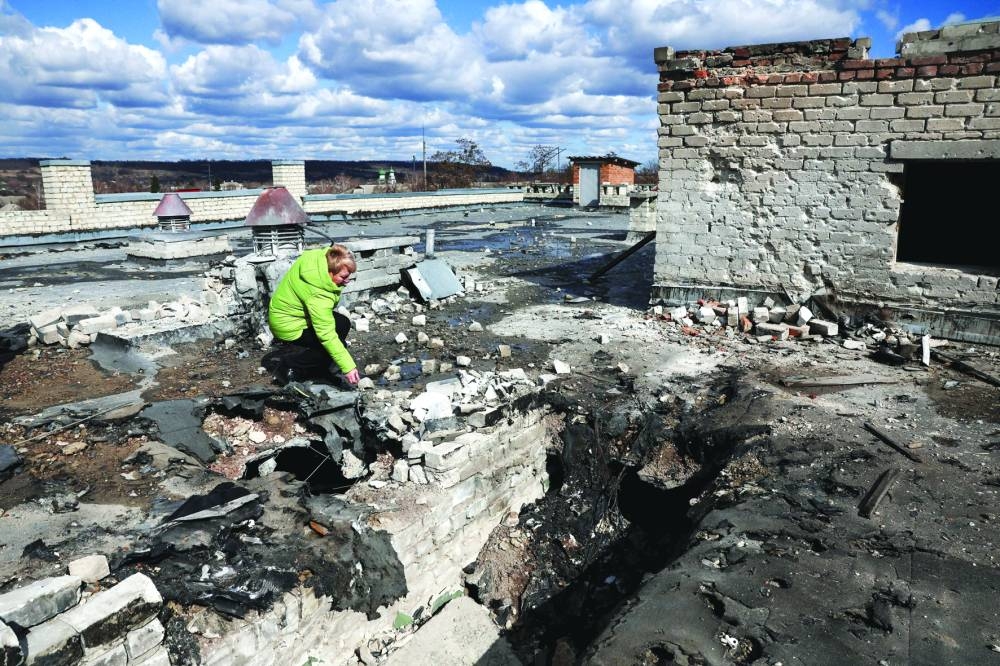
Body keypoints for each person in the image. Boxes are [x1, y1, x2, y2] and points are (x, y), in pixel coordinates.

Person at [268, 244, 361, 385]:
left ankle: (319, 369)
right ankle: (288, 365)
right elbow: (326, 335)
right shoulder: (318, 294)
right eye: (343, 277)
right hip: (287, 325)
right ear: (330, 271)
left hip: (290, 314)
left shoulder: (319, 258)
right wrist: (348, 367)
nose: (347, 280)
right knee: (331, 346)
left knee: (343, 324)